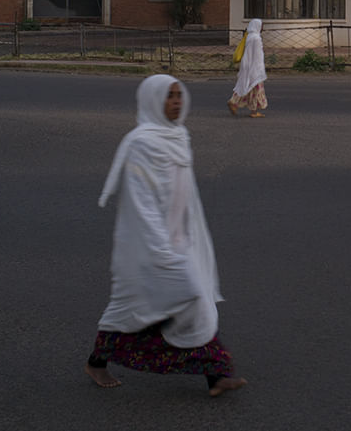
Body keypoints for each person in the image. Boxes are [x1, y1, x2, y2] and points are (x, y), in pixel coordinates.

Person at [85, 74, 247, 398]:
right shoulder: (142, 143)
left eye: (178, 95)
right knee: (148, 305)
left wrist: (191, 240)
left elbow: (187, 197)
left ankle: (216, 376)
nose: (176, 101)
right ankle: (97, 362)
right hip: (148, 245)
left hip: (179, 242)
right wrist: (160, 249)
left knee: (185, 305)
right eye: (169, 96)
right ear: (152, 101)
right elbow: (141, 202)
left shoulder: (178, 136)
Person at [227, 19, 268, 118]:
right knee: (256, 89)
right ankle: (253, 111)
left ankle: (234, 102)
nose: (263, 28)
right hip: (254, 67)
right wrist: (260, 69)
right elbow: (257, 56)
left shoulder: (250, 36)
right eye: (262, 25)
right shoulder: (256, 39)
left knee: (245, 86)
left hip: (247, 65)